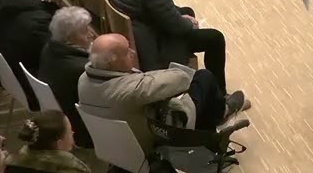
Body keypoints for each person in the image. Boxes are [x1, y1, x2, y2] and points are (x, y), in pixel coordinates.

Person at [77, 33, 243, 152]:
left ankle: (214, 120)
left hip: (118, 144)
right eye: (127, 52)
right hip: (157, 138)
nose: (133, 53)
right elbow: (181, 79)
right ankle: (221, 113)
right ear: (112, 62)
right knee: (204, 77)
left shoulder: (83, 80)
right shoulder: (132, 90)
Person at [39, 6, 95, 148]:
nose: (91, 34)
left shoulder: (50, 47)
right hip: (84, 130)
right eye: (84, 31)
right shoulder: (82, 69)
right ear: (70, 37)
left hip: (63, 112)